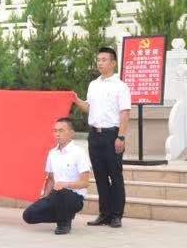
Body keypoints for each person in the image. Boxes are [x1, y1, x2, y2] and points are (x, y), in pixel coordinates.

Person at [72, 45, 131, 228]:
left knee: (115, 175)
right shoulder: (93, 85)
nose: (100, 63)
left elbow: (125, 113)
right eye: (98, 60)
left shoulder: (120, 86)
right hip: (94, 135)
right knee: (100, 176)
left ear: (113, 63)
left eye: (104, 60)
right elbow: (89, 108)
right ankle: (104, 214)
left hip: (111, 134)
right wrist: (76, 101)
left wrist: (120, 137)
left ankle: (116, 215)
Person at [23, 118, 92, 234]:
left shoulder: (79, 153)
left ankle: (63, 224)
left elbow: (85, 183)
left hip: (74, 197)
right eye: (55, 131)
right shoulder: (52, 153)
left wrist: (65, 184)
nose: (57, 134)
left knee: (61, 191)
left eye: (61, 130)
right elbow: (50, 179)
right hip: (55, 195)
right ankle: (65, 216)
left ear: (71, 133)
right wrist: (44, 197)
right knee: (28, 215)